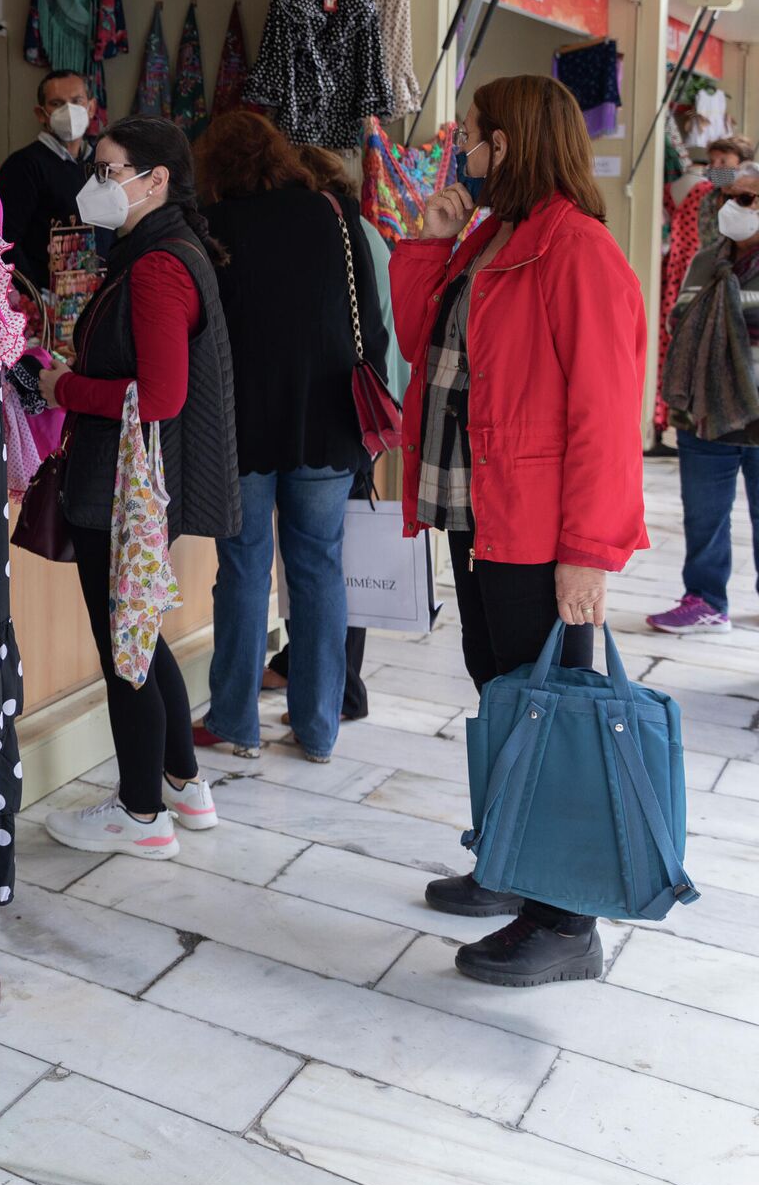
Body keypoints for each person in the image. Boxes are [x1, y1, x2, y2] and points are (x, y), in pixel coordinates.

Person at [397, 74, 647, 987]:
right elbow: (426, 341)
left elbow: (607, 415)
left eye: (475, 137)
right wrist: (430, 241)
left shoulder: (575, 251)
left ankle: (565, 919)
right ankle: (513, 862)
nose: (463, 150)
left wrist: (590, 552)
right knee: (505, 699)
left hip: (541, 530)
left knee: (554, 714)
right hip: (481, 515)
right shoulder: (494, 235)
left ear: (513, 143)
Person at [36, 115, 240, 858]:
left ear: (156, 180)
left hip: (125, 486)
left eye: (109, 170)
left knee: (125, 645)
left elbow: (158, 397)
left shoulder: (158, 265)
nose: (98, 183)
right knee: (141, 635)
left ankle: (141, 812)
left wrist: (65, 387)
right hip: (137, 482)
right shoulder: (159, 248)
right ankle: (183, 783)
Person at [190, 113, 390, 765]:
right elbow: (370, 322)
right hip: (327, 419)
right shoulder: (331, 212)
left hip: (242, 424)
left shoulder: (214, 227)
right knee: (319, 567)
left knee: (243, 568)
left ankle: (235, 721)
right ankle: (319, 726)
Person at [264, 144, 409, 721]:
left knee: (326, 560)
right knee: (327, 555)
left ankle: (342, 689)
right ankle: (319, 673)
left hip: (345, 414)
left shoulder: (338, 235)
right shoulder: (365, 232)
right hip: (366, 411)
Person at [650, 160, 759, 635]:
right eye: (727, 198)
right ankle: (706, 600)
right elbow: (679, 320)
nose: (732, 207)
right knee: (704, 517)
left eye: (746, 199)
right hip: (703, 416)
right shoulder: (704, 260)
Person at [0, 70, 98, 290]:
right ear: (41, 113)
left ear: (91, 107)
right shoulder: (23, 166)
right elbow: (4, 239)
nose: (69, 111)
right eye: (57, 103)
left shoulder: (102, 161)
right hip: (47, 304)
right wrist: (35, 297)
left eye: (76, 101)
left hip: (98, 297)